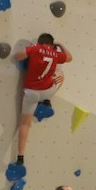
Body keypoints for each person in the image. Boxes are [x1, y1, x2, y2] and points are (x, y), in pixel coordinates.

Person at [14, 33, 71, 166]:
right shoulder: (56, 54)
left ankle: (20, 157)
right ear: (52, 45)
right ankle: (48, 100)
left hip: (31, 93)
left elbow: (17, 57)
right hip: (46, 91)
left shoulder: (34, 48)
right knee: (61, 74)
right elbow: (69, 58)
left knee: (24, 124)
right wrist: (60, 45)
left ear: (39, 42)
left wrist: (30, 51)